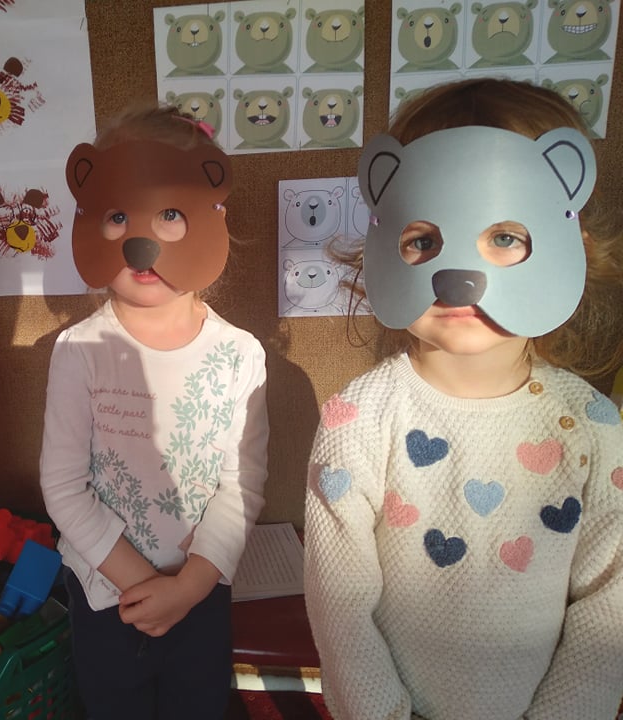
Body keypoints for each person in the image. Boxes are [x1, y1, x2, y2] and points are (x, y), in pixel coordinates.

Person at [303, 77, 623, 720]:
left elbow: (609, 603)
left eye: (505, 237)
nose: (459, 277)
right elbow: (339, 603)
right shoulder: (358, 421)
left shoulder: (591, 426)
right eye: (423, 240)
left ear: (573, 248)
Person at [40, 105, 269, 720]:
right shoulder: (80, 350)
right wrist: (143, 588)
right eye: (119, 216)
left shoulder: (239, 354)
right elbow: (64, 486)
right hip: (106, 594)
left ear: (211, 216)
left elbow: (241, 485)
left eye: (170, 214)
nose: (144, 243)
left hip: (201, 590)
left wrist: (188, 588)